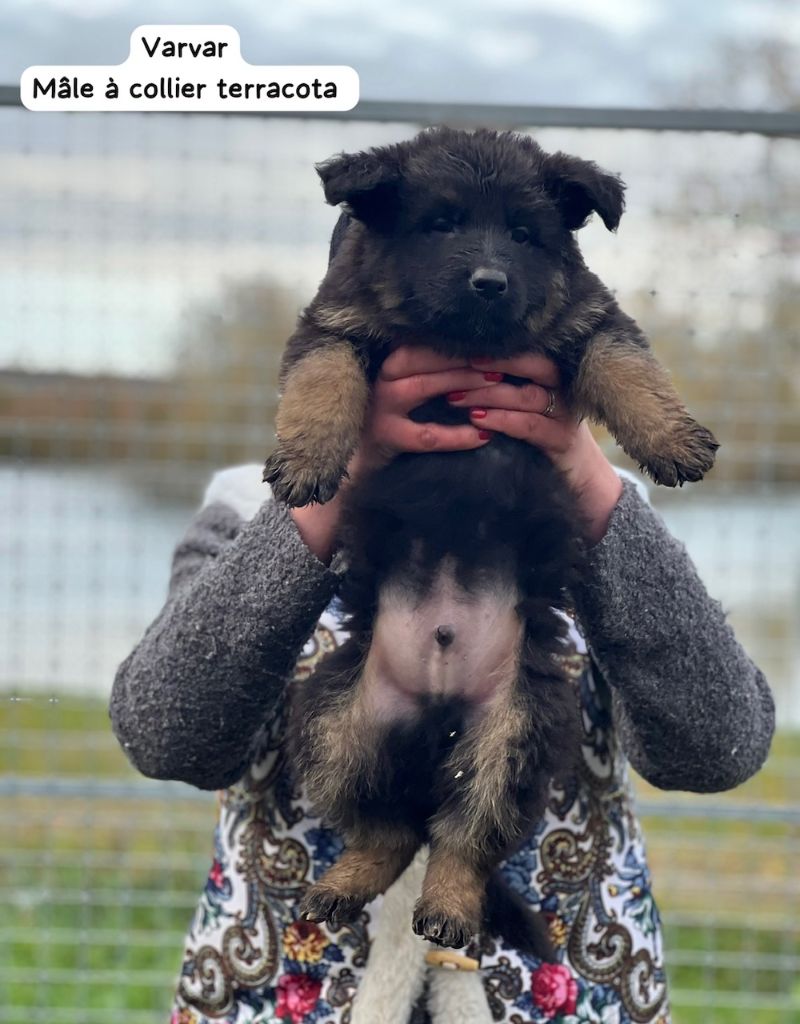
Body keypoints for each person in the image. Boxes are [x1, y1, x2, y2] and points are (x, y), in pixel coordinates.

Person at [110, 341, 774, 1024]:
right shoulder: (248, 507)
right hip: (284, 988)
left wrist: (582, 472)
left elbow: (717, 748)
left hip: (560, 993)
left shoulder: (594, 505)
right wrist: (330, 483)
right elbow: (166, 736)